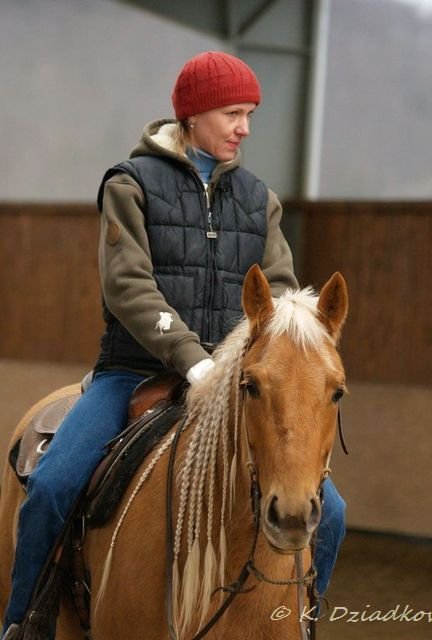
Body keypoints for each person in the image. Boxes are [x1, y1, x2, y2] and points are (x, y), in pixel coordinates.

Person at [2, 51, 345, 639]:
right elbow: (128, 284)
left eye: (250, 114)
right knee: (54, 486)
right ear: (191, 115)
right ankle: (24, 621)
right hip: (131, 373)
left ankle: (301, 621)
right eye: (232, 113)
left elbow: (285, 297)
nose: (244, 127)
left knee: (331, 513)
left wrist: (291, 345)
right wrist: (194, 362)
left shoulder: (258, 201)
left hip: (240, 384)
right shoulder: (129, 184)